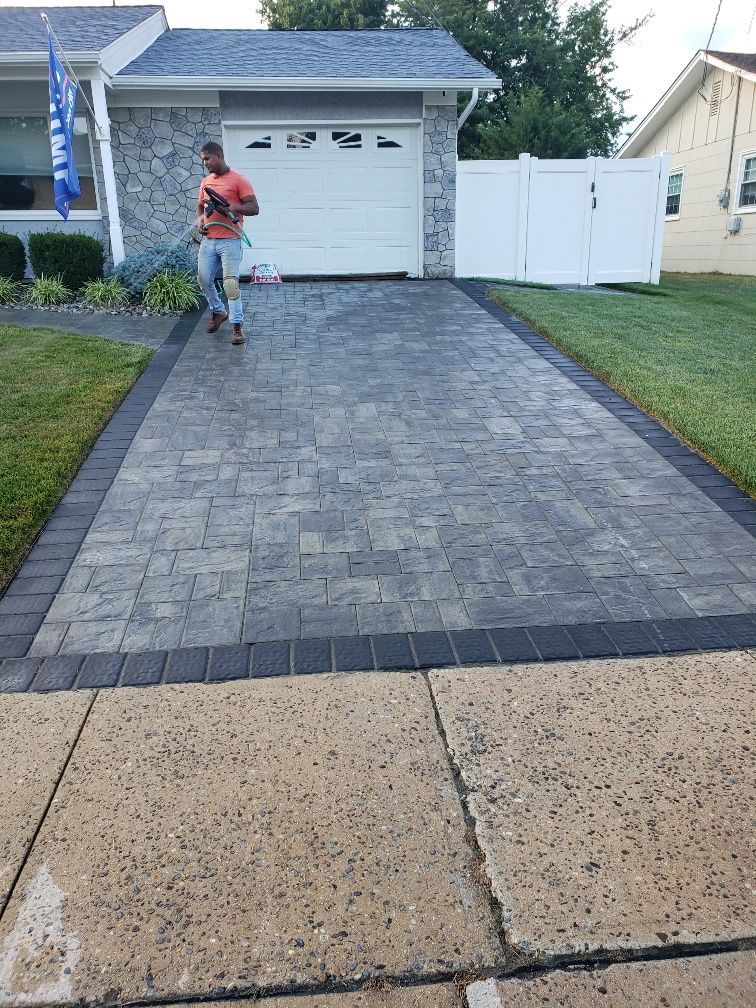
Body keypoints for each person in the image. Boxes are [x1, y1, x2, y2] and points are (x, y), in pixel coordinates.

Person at [196, 141, 259, 345]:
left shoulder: (239, 180)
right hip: (209, 240)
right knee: (204, 280)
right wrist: (200, 222)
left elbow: (254, 208)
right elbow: (200, 207)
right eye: (203, 159)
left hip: (230, 240)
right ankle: (218, 311)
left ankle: (237, 326)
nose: (205, 163)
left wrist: (231, 207)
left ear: (219, 156)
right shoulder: (206, 182)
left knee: (230, 284)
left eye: (207, 158)